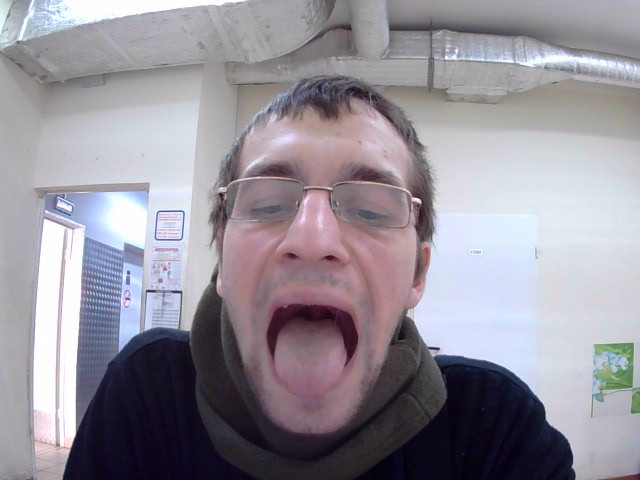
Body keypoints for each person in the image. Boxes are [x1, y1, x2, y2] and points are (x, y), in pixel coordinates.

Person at [64, 75, 575, 479]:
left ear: (417, 274)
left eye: (371, 210)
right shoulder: (145, 394)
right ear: (222, 258)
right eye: (268, 203)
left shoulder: (496, 429)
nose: (312, 239)